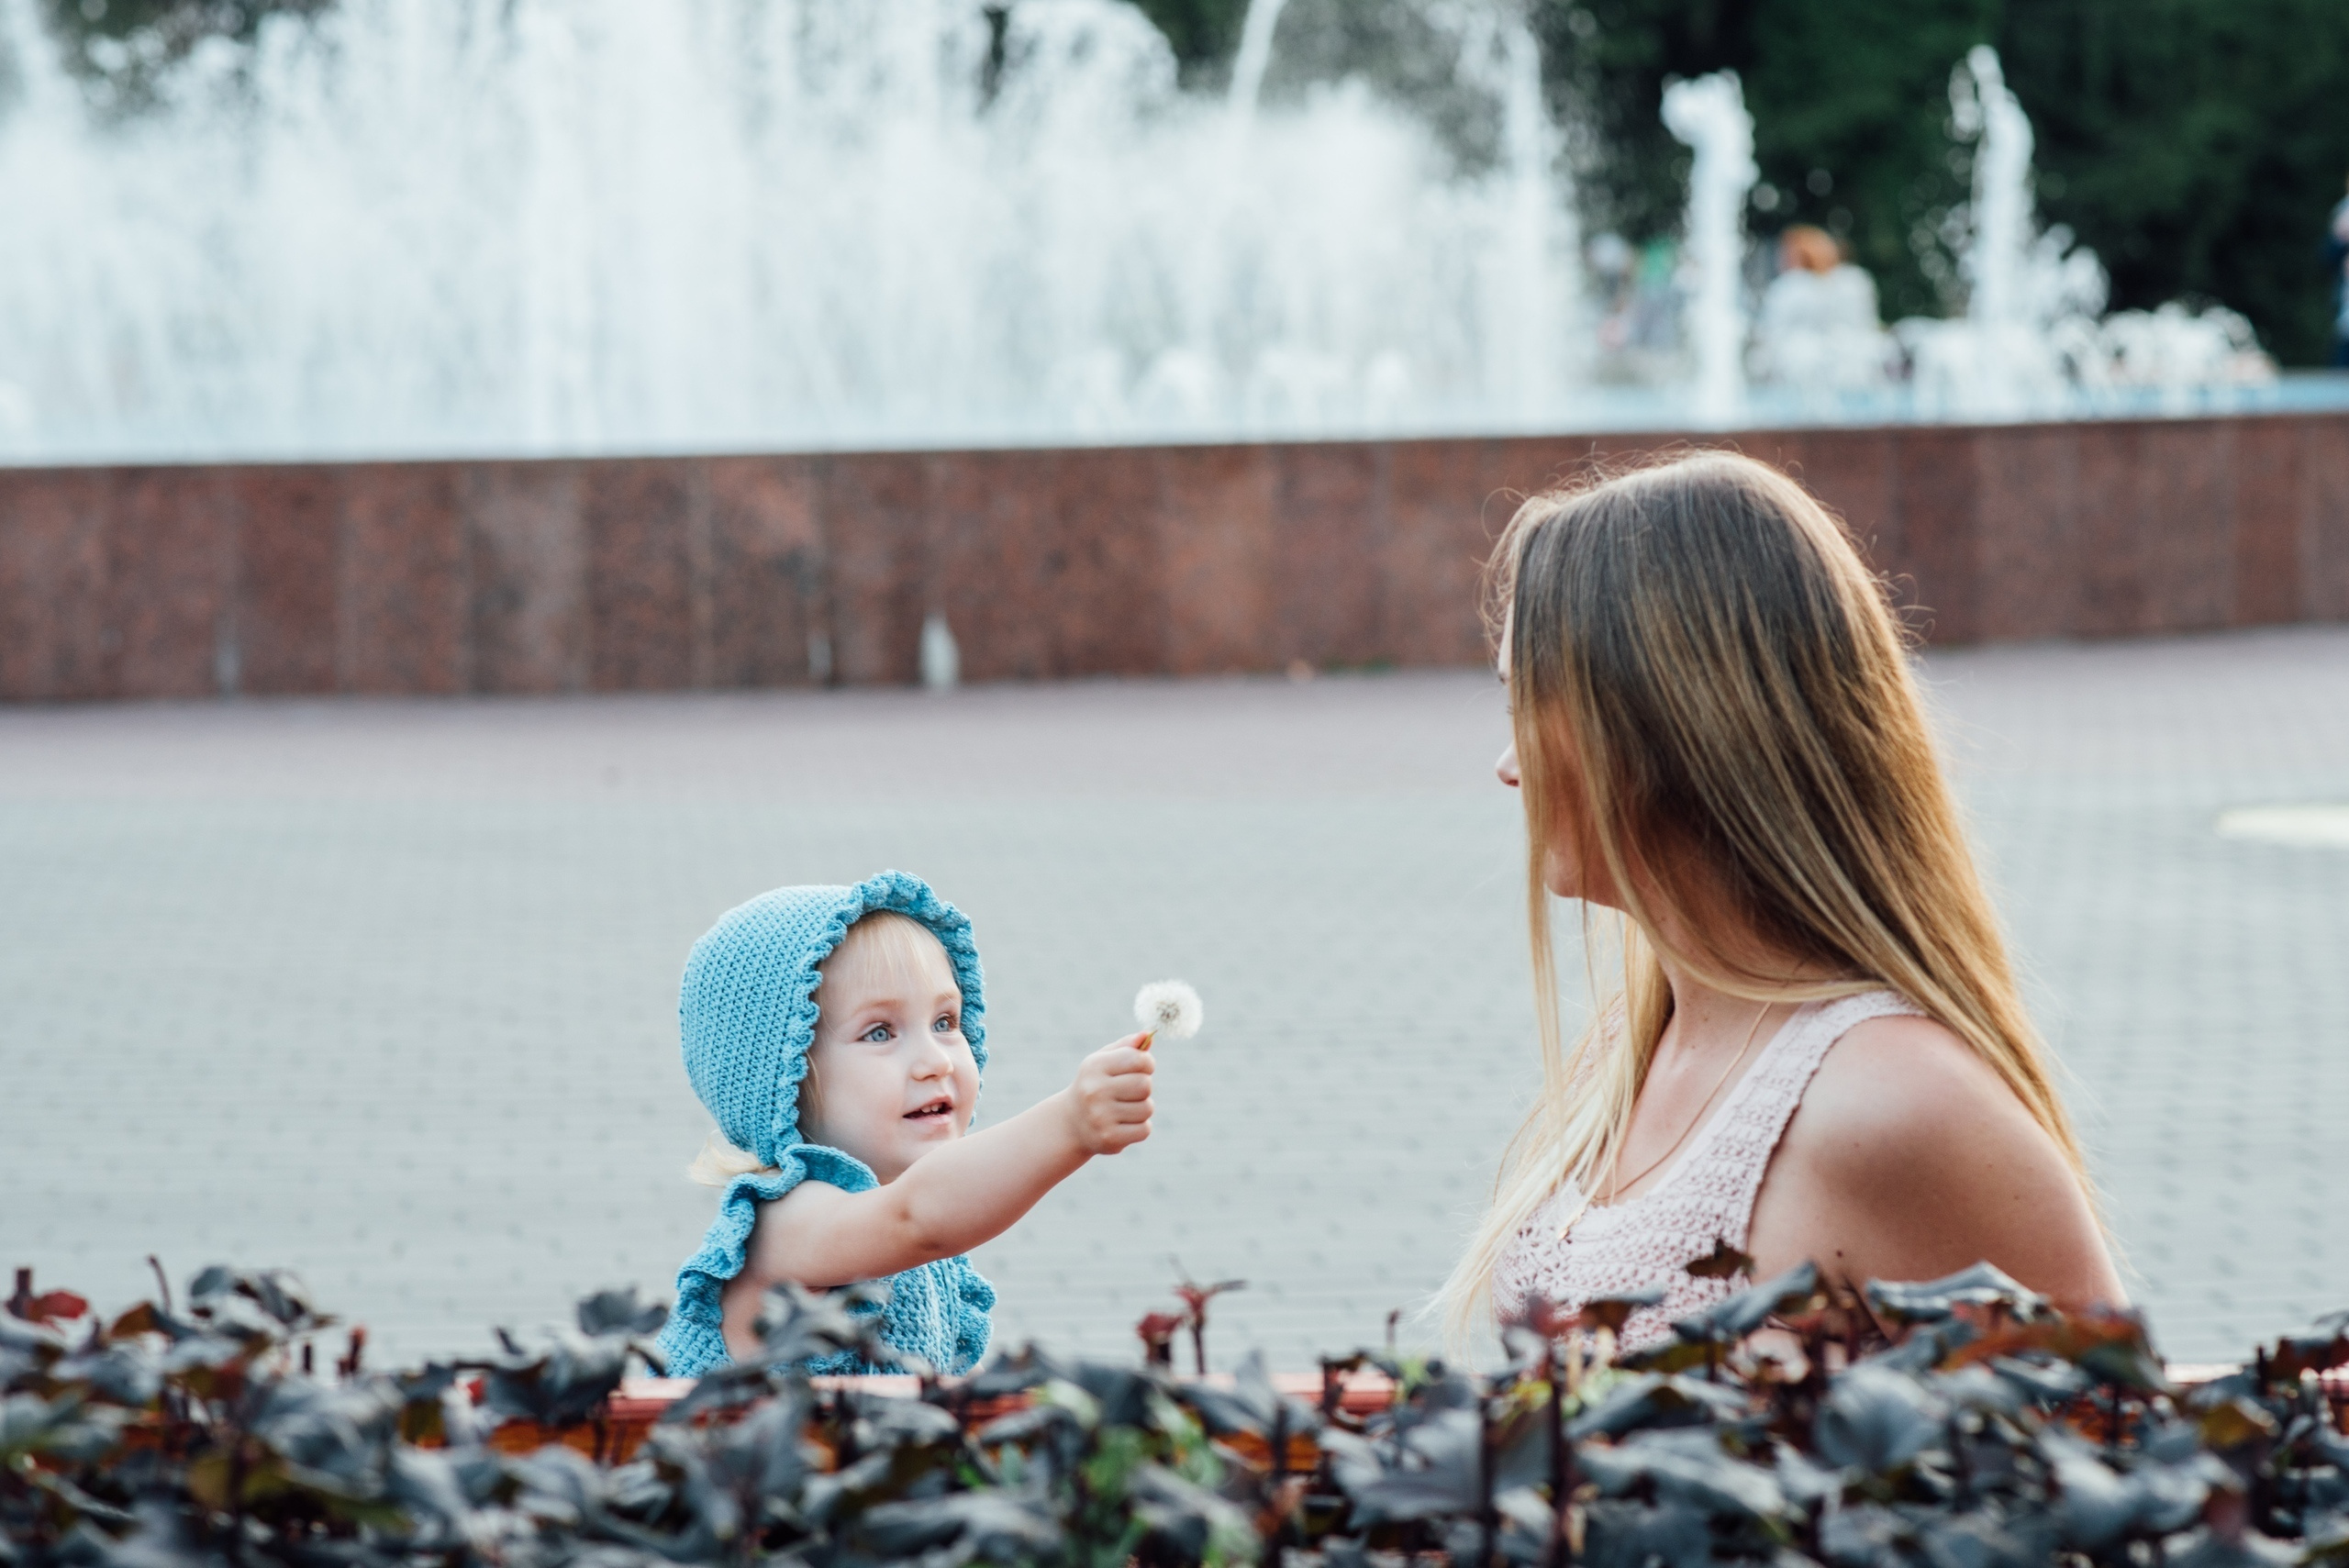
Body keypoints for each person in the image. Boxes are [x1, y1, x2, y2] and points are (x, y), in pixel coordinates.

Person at [1439, 452, 2122, 1352]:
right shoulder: (1638, 1042)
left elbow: (2122, 1445)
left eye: (1527, 701)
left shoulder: (1891, 1100)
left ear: (1661, 724)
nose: (1508, 765)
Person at [657, 871, 1153, 1376]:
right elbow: (917, 1219)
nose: (935, 1060)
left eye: (945, 1022)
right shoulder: (785, 1223)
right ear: (783, 1081)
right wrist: (1068, 1126)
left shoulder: (915, 1220)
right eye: (880, 1033)